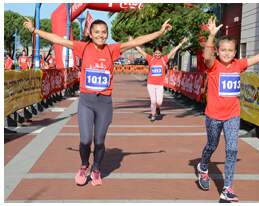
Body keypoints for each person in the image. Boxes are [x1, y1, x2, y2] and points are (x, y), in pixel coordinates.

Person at [23, 16, 172, 186]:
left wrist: (160, 32)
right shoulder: (83, 47)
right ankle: (84, 165)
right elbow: (57, 39)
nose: (101, 35)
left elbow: (137, 41)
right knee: (85, 140)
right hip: (86, 101)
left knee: (99, 141)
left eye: (104, 32)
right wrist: (35, 30)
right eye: (97, 32)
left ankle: (96, 169)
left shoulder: (112, 50)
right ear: (91, 34)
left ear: (106, 34)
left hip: (104, 103)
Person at [197, 16, 259, 202]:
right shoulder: (213, 65)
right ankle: (203, 167)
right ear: (218, 51)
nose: (227, 53)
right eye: (223, 50)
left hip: (232, 115)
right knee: (212, 145)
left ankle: (227, 189)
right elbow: (206, 56)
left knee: (232, 150)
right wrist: (212, 36)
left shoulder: (239, 64)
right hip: (213, 115)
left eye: (230, 50)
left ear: (235, 51)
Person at [135, 37, 188, 122]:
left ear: (161, 53)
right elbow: (141, 51)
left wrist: (181, 44)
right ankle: (153, 115)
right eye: (156, 53)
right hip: (151, 84)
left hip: (159, 85)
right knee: (153, 101)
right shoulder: (150, 59)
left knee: (159, 102)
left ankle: (158, 108)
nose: (157, 55)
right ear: (153, 53)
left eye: (159, 53)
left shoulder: (164, 59)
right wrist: (133, 43)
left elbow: (172, 51)